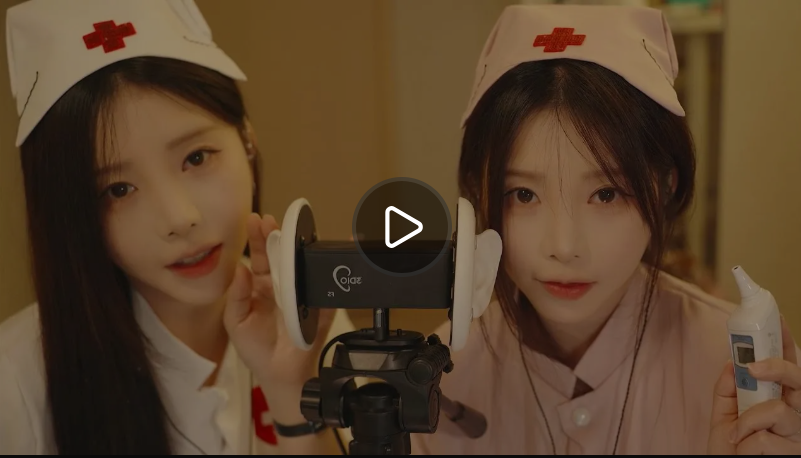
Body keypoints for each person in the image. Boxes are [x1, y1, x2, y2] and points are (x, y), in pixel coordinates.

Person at [404, 4, 801, 455]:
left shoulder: (739, 367)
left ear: (665, 186)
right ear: (479, 191)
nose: (564, 247)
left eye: (606, 194)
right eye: (524, 195)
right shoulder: (439, 373)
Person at [0, 0, 352, 454]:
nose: (178, 218)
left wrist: (291, 395)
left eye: (196, 158)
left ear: (247, 139)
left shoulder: (302, 316)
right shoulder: (17, 382)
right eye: (119, 190)